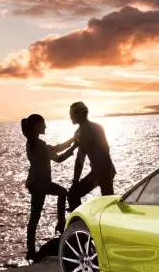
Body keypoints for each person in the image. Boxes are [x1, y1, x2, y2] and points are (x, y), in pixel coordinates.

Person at [21, 114, 77, 262]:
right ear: (36, 127)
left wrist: (73, 143)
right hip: (38, 185)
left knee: (61, 194)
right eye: (43, 124)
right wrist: (73, 143)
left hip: (41, 184)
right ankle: (31, 251)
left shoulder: (36, 144)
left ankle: (59, 224)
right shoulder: (36, 144)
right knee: (35, 217)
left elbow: (57, 154)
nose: (45, 126)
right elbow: (58, 154)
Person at [67, 102, 116, 210]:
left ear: (79, 114)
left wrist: (75, 182)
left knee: (72, 195)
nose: (70, 117)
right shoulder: (97, 127)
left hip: (101, 172)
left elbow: (80, 160)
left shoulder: (81, 132)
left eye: (72, 114)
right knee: (109, 204)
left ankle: (80, 219)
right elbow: (106, 149)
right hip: (106, 169)